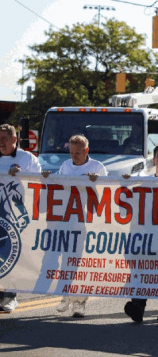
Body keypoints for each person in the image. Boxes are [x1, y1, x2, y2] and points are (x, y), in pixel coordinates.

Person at [123, 143, 158, 323]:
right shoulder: (143, 180)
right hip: (146, 235)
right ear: (154, 159)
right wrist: (126, 183)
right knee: (142, 269)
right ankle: (138, 307)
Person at [51, 134, 107, 317]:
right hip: (67, 222)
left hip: (87, 224)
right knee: (67, 262)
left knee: (82, 265)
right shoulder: (65, 166)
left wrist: (96, 182)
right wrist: (46, 178)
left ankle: (79, 304)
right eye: (72, 152)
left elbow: (108, 194)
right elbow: (57, 187)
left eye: (78, 152)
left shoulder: (98, 167)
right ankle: (66, 296)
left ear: (87, 151)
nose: (74, 156)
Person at [0, 124, 42, 313]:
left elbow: (41, 182)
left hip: (14, 217)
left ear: (14, 140)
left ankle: (10, 296)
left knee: (11, 255)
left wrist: (24, 175)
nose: (1, 143)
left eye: (4, 139)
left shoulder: (27, 159)